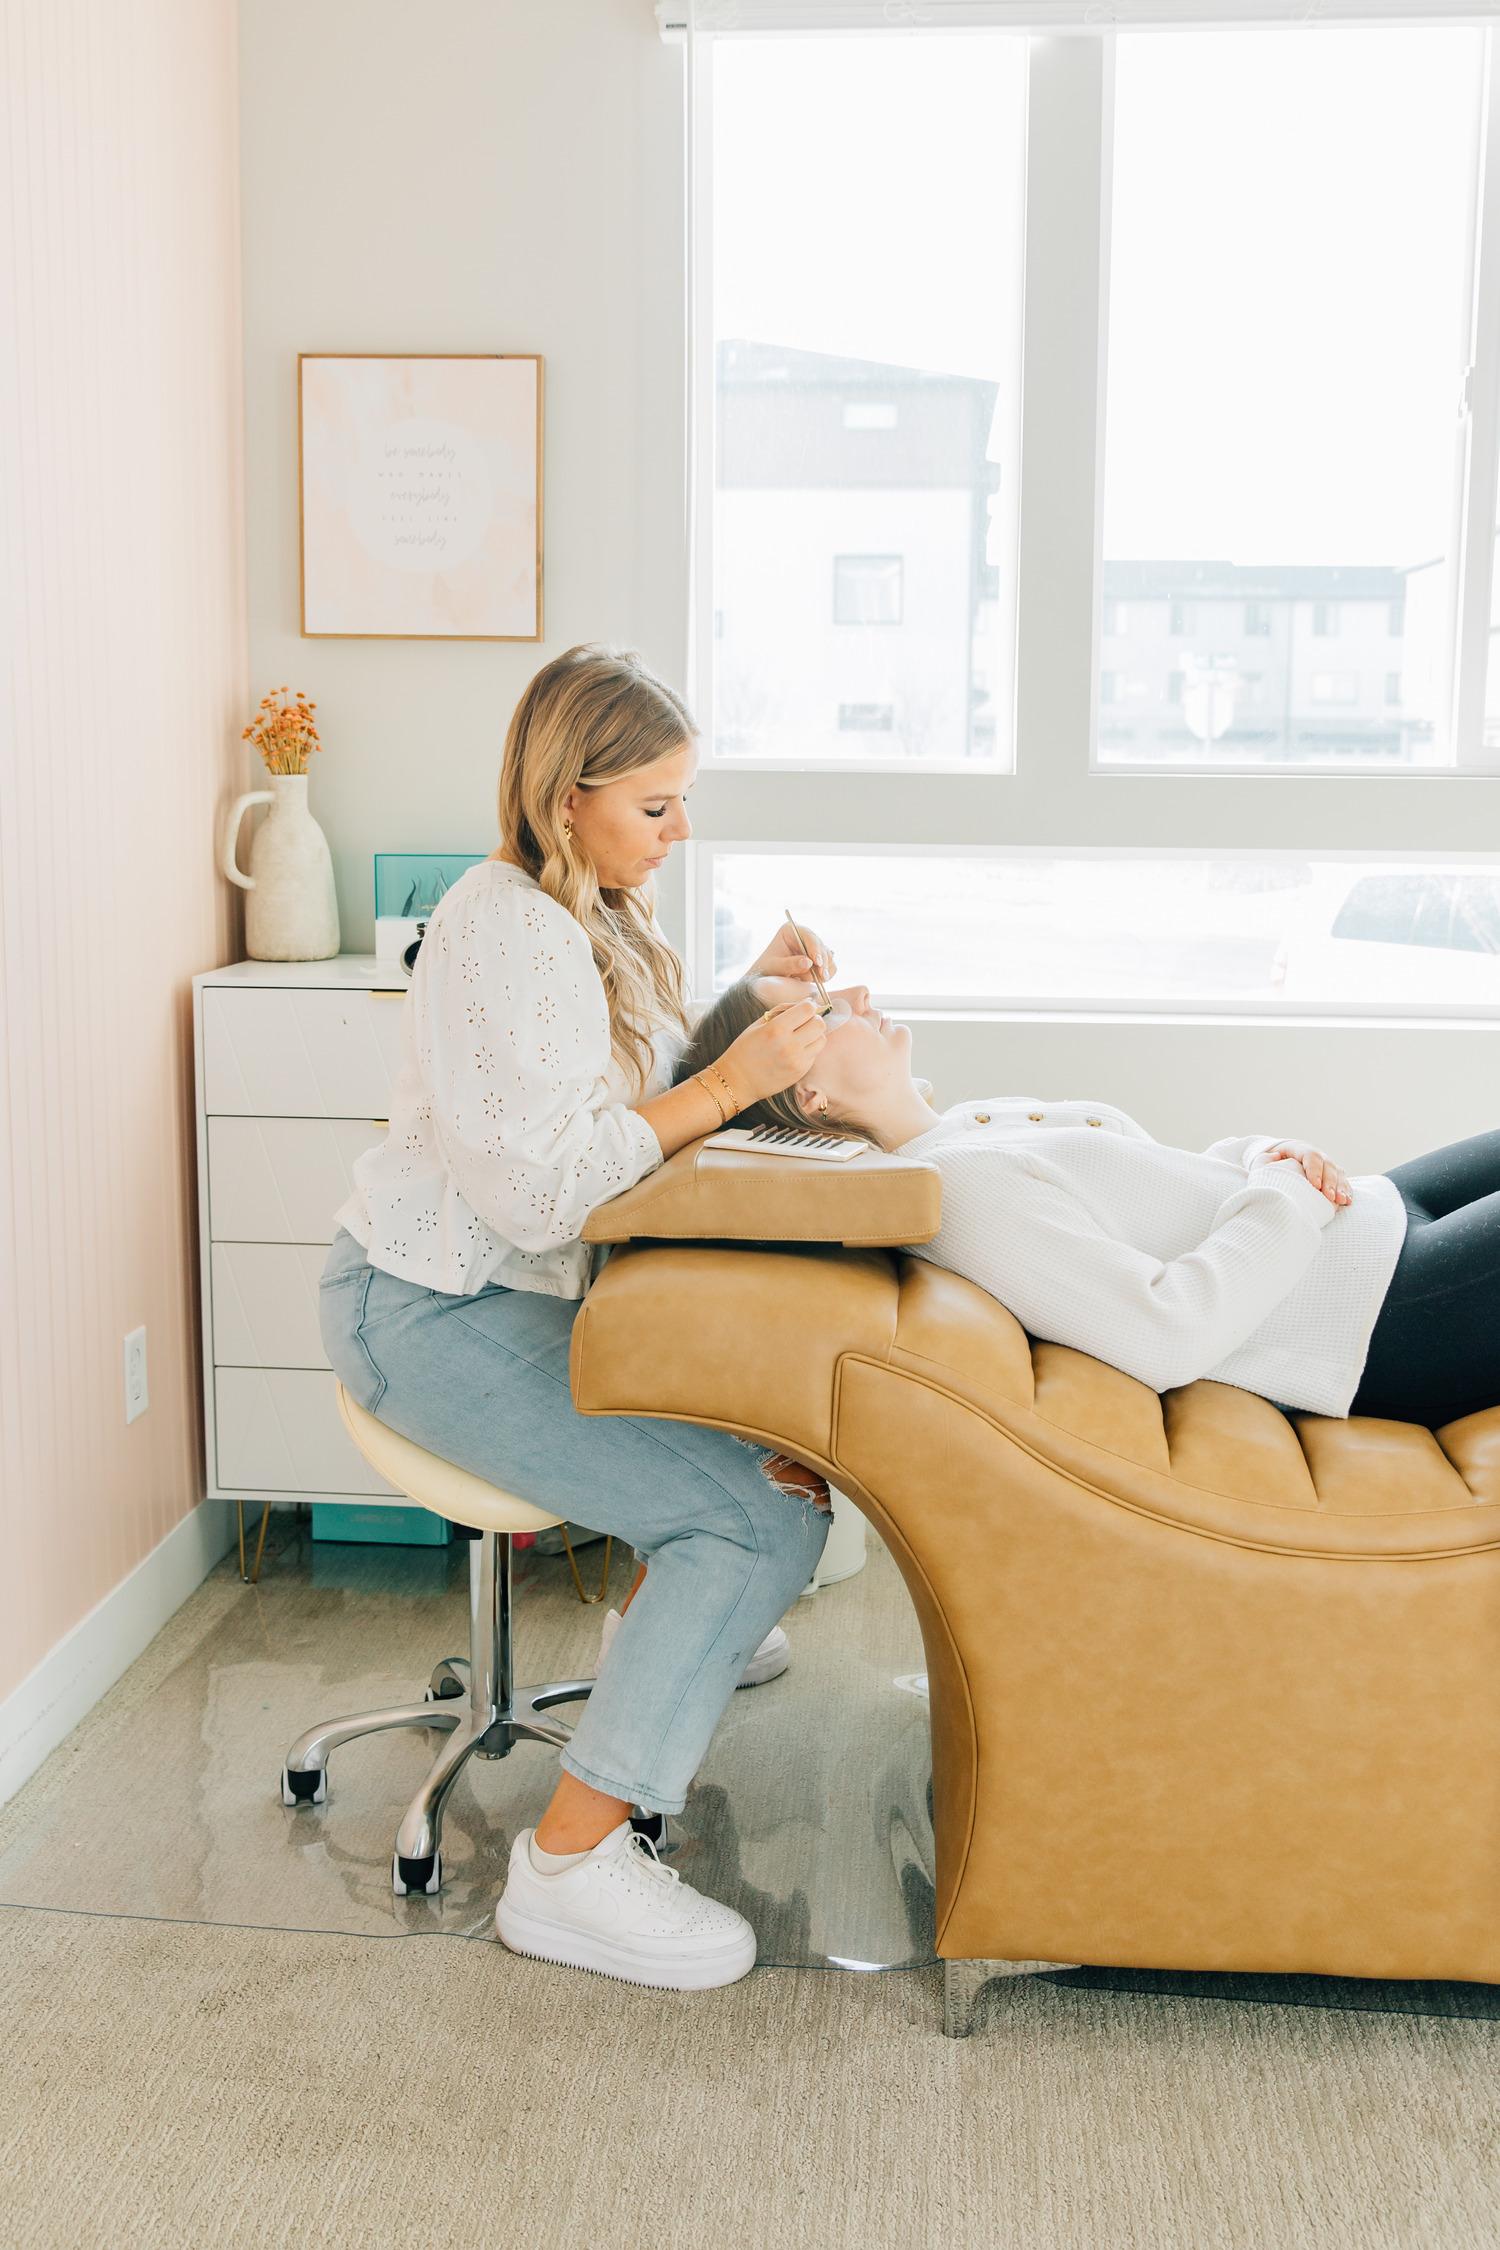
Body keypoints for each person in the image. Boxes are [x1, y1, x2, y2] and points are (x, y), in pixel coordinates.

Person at [319, 644, 842, 1995]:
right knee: (754, 1515)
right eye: (656, 806)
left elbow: (622, 1086)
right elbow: (554, 1186)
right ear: (569, 799)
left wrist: (741, 1003)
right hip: (425, 1313)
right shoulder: (504, 930)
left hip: (494, 1299)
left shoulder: (580, 912)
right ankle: (568, 1870)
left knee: (775, 1460)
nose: (681, 830)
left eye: (684, 802)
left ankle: (671, 1634)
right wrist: (735, 1081)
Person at [678, 975, 1500, 1428]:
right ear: (810, 1097)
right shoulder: (957, 1192)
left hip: (1375, 1226)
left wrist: (1262, 1157)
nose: (857, 993)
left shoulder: (966, 1133)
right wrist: (1285, 1197)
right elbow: (1168, 1333)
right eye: (823, 1011)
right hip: (1379, 1315)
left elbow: (1164, 1187)